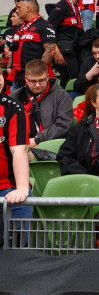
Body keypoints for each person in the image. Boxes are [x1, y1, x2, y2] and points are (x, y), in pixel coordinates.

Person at [10, 59, 72, 148]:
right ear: (26, 78)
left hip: (50, 144)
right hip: (19, 143)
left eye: (42, 80)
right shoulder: (15, 96)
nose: (37, 85)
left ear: (47, 77)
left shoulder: (61, 96)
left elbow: (63, 125)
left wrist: (38, 139)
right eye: (33, 81)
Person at [0, 70, 31, 242]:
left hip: (9, 188)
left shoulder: (13, 107)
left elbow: (18, 150)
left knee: (20, 248)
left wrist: (21, 189)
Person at [8, 0, 56, 87]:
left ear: (28, 8)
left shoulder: (44, 26)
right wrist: (9, 66)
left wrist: (37, 72)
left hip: (35, 79)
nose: (17, 11)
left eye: (19, 7)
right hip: (17, 77)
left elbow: (50, 51)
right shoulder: (19, 27)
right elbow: (14, 49)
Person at [48, 0, 86, 85]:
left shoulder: (76, 6)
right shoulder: (61, 7)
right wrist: (56, 52)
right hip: (63, 51)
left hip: (74, 49)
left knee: (74, 78)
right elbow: (49, 30)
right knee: (69, 80)